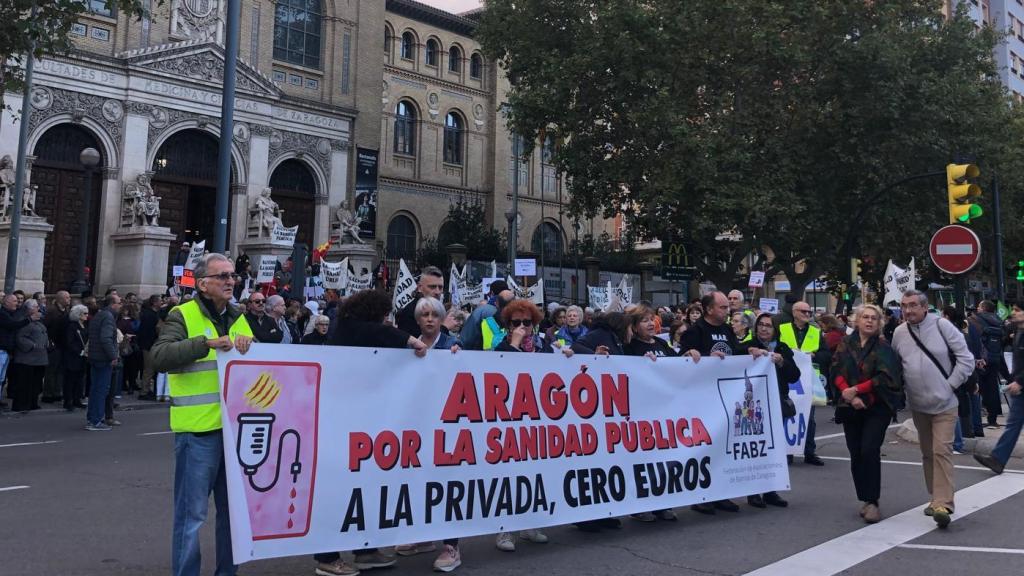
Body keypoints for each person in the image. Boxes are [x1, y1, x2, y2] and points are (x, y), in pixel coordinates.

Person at [151, 253, 254, 576]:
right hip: (198, 433)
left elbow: (259, 364)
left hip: (235, 433)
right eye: (222, 276)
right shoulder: (182, 314)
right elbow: (160, 356)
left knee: (233, 514)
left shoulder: (238, 316)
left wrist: (253, 346)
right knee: (191, 516)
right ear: (203, 284)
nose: (230, 281)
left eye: (232, 276)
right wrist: (207, 343)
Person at [320, 289, 426, 575]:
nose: (385, 320)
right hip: (342, 421)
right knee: (338, 490)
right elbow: (380, 333)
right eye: (382, 315)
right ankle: (327, 558)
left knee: (364, 488)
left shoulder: (359, 331)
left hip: (362, 422)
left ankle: (365, 550)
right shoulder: (351, 328)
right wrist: (410, 339)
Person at [891, 290, 974, 529]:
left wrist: (949, 385)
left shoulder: (942, 327)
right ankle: (934, 497)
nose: (908, 310)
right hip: (918, 405)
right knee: (927, 453)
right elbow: (896, 364)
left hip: (945, 404)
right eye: (905, 306)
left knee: (941, 451)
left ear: (925, 307)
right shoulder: (899, 333)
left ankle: (944, 503)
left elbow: (965, 359)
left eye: (914, 305)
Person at [678, 291, 765, 514]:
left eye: (728, 307)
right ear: (709, 309)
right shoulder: (695, 331)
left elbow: (734, 353)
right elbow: (682, 359)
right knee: (704, 448)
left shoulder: (726, 330)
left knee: (724, 447)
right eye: (723, 307)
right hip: (703, 397)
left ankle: (721, 493)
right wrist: (700, 355)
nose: (728, 311)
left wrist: (749, 350)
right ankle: (701, 496)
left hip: (725, 395)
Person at [489, 298, 556, 547]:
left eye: (526, 322)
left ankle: (529, 524)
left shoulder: (543, 348)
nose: (522, 326)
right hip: (509, 419)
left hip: (537, 419)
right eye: (516, 322)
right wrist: (514, 346)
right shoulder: (500, 347)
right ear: (508, 325)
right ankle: (505, 529)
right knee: (509, 475)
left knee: (535, 474)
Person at [832, 305, 903, 524]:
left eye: (874, 318)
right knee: (855, 452)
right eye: (865, 317)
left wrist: (860, 391)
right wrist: (848, 393)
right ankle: (864, 498)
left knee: (869, 448)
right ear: (857, 320)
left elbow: (887, 377)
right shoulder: (845, 344)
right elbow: (835, 369)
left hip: (876, 406)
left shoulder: (883, 347)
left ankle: (873, 501)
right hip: (850, 404)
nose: (869, 321)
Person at [623, 305, 678, 522]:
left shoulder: (662, 344)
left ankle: (662, 503)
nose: (649, 324)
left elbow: (679, 364)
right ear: (635, 327)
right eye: (644, 320)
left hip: (664, 410)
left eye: (651, 319)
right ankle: (640, 506)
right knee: (643, 461)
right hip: (641, 411)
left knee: (663, 459)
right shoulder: (630, 347)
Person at [739, 313, 798, 509]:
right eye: (761, 325)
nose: (764, 329)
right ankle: (753, 491)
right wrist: (748, 352)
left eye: (768, 326)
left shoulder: (782, 348)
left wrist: (782, 362)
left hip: (775, 404)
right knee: (754, 449)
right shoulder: (746, 346)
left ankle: (771, 490)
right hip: (753, 407)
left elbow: (794, 376)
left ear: (775, 330)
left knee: (773, 449)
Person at [975, 304, 1024, 475]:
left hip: (1021, 386)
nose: (1013, 313)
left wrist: (1019, 381)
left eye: (1018, 310)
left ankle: (997, 459)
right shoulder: (1018, 332)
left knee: (1013, 424)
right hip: (1020, 388)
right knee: (1013, 425)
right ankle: (997, 459)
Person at [778, 300, 827, 466]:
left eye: (809, 312)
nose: (807, 315)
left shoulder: (815, 331)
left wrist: (814, 355)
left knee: (809, 417)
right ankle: (787, 451)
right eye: (803, 312)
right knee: (787, 414)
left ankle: (809, 451)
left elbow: (826, 353)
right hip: (787, 377)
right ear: (794, 313)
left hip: (808, 379)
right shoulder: (782, 329)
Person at [86, 294, 122, 431]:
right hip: (102, 358)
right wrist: (113, 356)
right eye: (119, 302)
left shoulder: (99, 316)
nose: (120, 305)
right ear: (112, 304)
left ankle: (92, 418)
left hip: (95, 356)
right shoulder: (108, 317)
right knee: (101, 390)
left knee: (95, 389)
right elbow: (105, 338)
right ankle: (96, 420)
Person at [967, 300, 1004, 429]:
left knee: (977, 388)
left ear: (983, 309)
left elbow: (973, 339)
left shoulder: (974, 320)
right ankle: (992, 419)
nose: (977, 308)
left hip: (981, 359)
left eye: (978, 306)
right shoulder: (999, 321)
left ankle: (977, 421)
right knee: (992, 388)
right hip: (995, 358)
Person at [10, 299, 47, 412]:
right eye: (36, 307)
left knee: (35, 383)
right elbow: (20, 337)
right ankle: (21, 404)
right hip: (27, 357)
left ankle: (32, 402)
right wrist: (33, 345)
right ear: (29, 308)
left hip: (39, 357)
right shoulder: (23, 320)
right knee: (24, 383)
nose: (38, 309)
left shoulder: (38, 321)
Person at [396, 266, 445, 338]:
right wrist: (445, 327)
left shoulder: (441, 310)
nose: (437, 292)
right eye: (432, 287)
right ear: (419, 288)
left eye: (440, 287)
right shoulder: (409, 313)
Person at [0, 293, 30, 409]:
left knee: (2, 378)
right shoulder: (2, 314)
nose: (17, 304)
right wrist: (29, 319)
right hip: (1, 349)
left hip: (6, 350)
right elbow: (12, 325)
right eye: (14, 301)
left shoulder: (10, 314)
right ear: (6, 302)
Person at [460, 280, 509, 350]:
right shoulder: (517, 313)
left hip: (481, 357)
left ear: (491, 293)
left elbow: (466, 339)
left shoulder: (481, 311)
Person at [43, 290, 70, 404]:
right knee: (51, 370)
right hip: (54, 345)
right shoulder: (51, 311)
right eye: (67, 298)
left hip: (63, 345)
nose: (69, 300)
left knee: (60, 370)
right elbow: (45, 327)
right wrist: (49, 342)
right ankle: (48, 393)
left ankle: (57, 392)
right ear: (60, 299)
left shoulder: (67, 311)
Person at [63, 304, 89, 411]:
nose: (87, 315)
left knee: (80, 379)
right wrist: (80, 351)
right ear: (78, 314)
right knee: (70, 379)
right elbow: (70, 342)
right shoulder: (72, 326)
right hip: (73, 357)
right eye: (85, 313)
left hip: (83, 357)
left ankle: (77, 399)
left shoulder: (85, 325)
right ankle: (68, 401)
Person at [138, 295, 162, 399]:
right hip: (149, 345)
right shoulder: (150, 315)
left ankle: (147, 389)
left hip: (151, 344)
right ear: (154, 303)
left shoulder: (153, 314)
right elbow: (147, 332)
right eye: (160, 301)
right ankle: (144, 391)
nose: (161, 302)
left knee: (150, 369)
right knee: (149, 369)